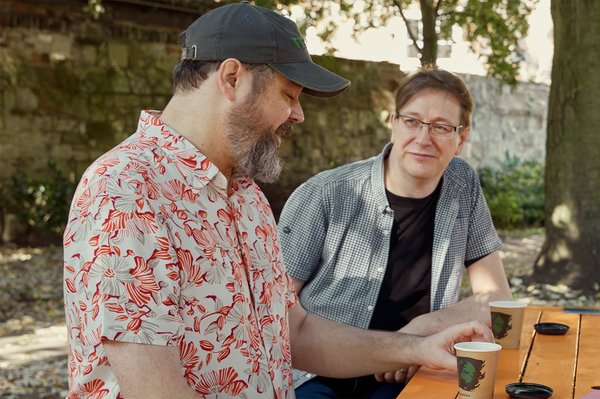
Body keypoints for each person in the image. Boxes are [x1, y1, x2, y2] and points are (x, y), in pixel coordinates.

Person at [63, 3, 494, 398]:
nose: (299, 114)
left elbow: (296, 333)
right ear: (232, 78)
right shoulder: (126, 190)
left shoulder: (245, 195)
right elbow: (155, 391)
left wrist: (416, 348)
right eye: (288, 95)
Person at [278, 66, 513, 398]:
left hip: (407, 372)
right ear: (393, 123)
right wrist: (407, 342)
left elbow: (497, 300)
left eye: (441, 127)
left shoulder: (463, 187)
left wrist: (421, 329)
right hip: (319, 371)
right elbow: (273, 313)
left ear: (461, 138)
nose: (423, 139)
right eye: (412, 121)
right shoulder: (326, 194)